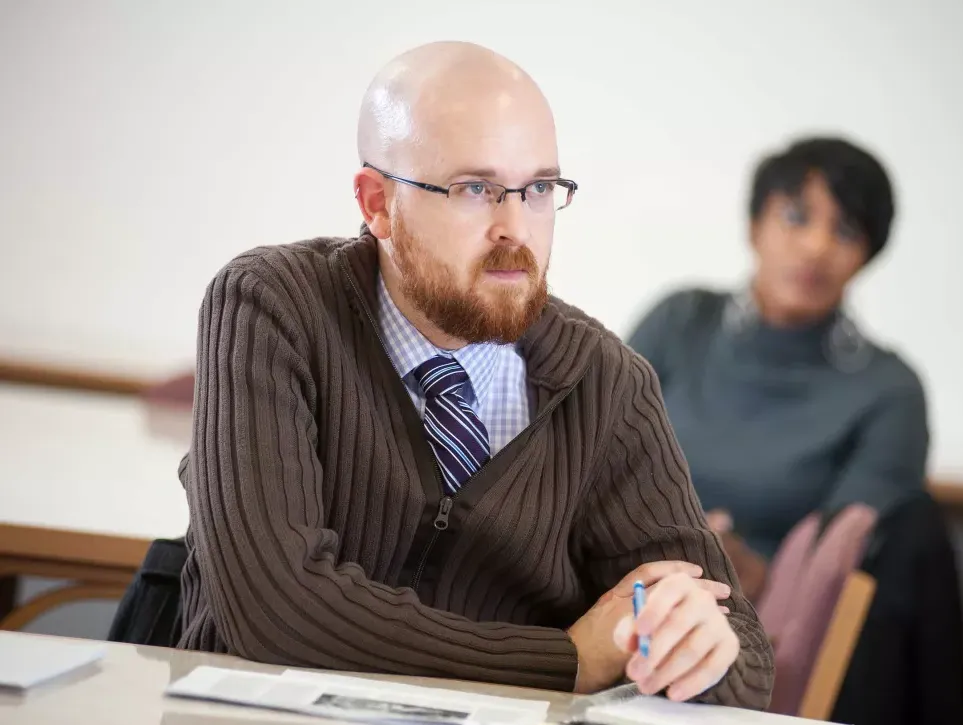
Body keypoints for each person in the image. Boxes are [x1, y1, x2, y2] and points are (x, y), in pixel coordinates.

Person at [176, 41, 773, 708]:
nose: (514, 228)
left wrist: (703, 651)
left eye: (540, 189)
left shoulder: (606, 384)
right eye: (474, 190)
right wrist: (567, 660)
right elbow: (278, 609)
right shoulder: (273, 305)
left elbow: (742, 659)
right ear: (377, 203)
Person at [628, 137, 928, 600]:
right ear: (754, 227)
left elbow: (839, 570)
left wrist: (753, 571)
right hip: (620, 579)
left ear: (866, 257)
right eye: (796, 216)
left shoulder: (889, 391)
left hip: (759, 632)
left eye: (846, 231)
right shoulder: (681, 321)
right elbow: (595, 454)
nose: (816, 247)